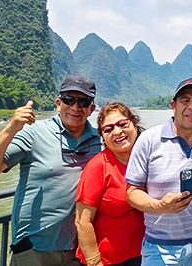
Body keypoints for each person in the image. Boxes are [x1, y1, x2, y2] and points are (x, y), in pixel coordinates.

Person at [0, 76, 103, 266]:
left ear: (91, 109)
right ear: (58, 103)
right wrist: (11, 128)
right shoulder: (33, 133)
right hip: (35, 250)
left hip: (79, 250)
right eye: (69, 99)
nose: (75, 107)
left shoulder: (101, 140)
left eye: (83, 101)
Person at [125, 78, 192, 266]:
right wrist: (160, 206)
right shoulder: (149, 140)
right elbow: (132, 192)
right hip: (159, 248)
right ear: (173, 106)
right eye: (185, 100)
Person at [75, 103, 145, 266]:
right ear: (103, 137)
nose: (118, 132)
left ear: (134, 124)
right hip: (107, 260)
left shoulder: (146, 158)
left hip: (144, 255)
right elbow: (82, 222)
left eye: (122, 124)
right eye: (109, 129)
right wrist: (95, 262)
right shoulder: (98, 166)